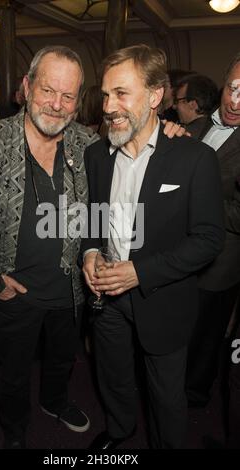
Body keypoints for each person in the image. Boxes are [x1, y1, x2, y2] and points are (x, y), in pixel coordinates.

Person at [0, 45, 101, 449]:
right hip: (14, 294)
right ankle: (15, 429)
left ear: (78, 100)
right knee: (12, 374)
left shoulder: (91, 146)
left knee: (63, 361)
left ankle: (54, 401)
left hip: (72, 292)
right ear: (27, 86)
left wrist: (172, 133)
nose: (57, 104)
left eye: (68, 96)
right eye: (49, 90)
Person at [82, 44, 225, 449]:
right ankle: (121, 431)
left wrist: (140, 272)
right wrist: (90, 253)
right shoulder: (97, 155)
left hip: (162, 299)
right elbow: (92, 215)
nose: (109, 106)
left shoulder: (195, 158)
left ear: (156, 96)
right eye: (106, 93)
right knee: (113, 377)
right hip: (105, 296)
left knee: (165, 396)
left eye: (121, 93)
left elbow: (209, 239)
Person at [185, 52, 240, 408]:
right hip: (174, 252)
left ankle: (196, 391)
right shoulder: (192, 127)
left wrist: (197, 205)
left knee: (207, 332)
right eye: (233, 87)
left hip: (220, 260)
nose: (236, 101)